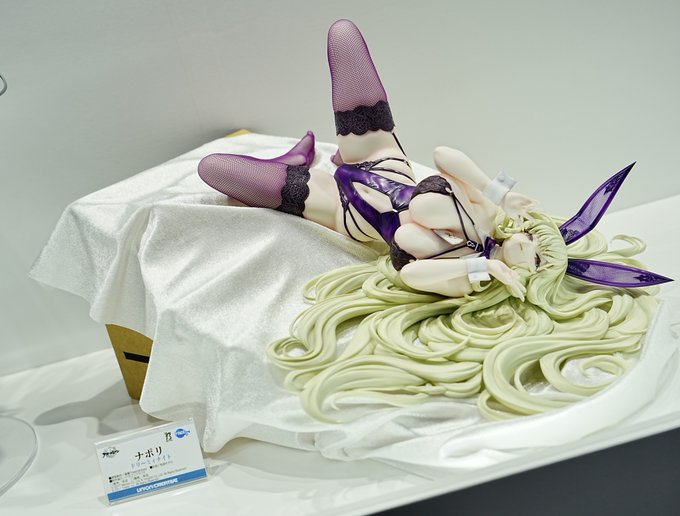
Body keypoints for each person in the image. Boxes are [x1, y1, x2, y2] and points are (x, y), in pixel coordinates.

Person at [196, 20, 671, 421]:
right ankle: (296, 161)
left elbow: (412, 274)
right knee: (344, 39)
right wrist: (498, 191)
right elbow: (444, 154)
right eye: (534, 243)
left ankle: (292, 167)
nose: (528, 248)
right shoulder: (486, 213)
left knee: (216, 169)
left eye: (534, 259)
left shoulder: (469, 278)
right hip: (382, 161)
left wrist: (483, 268)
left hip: (345, 213)